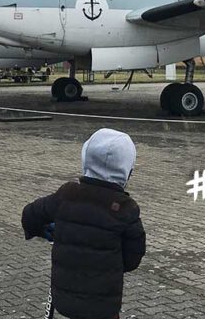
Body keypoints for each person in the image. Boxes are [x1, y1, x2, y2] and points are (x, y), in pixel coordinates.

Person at [21, 128, 146, 319]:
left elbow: (29, 216)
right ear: (127, 169)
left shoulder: (67, 194)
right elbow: (132, 258)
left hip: (65, 297)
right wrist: (108, 261)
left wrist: (42, 229)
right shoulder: (125, 208)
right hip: (103, 305)